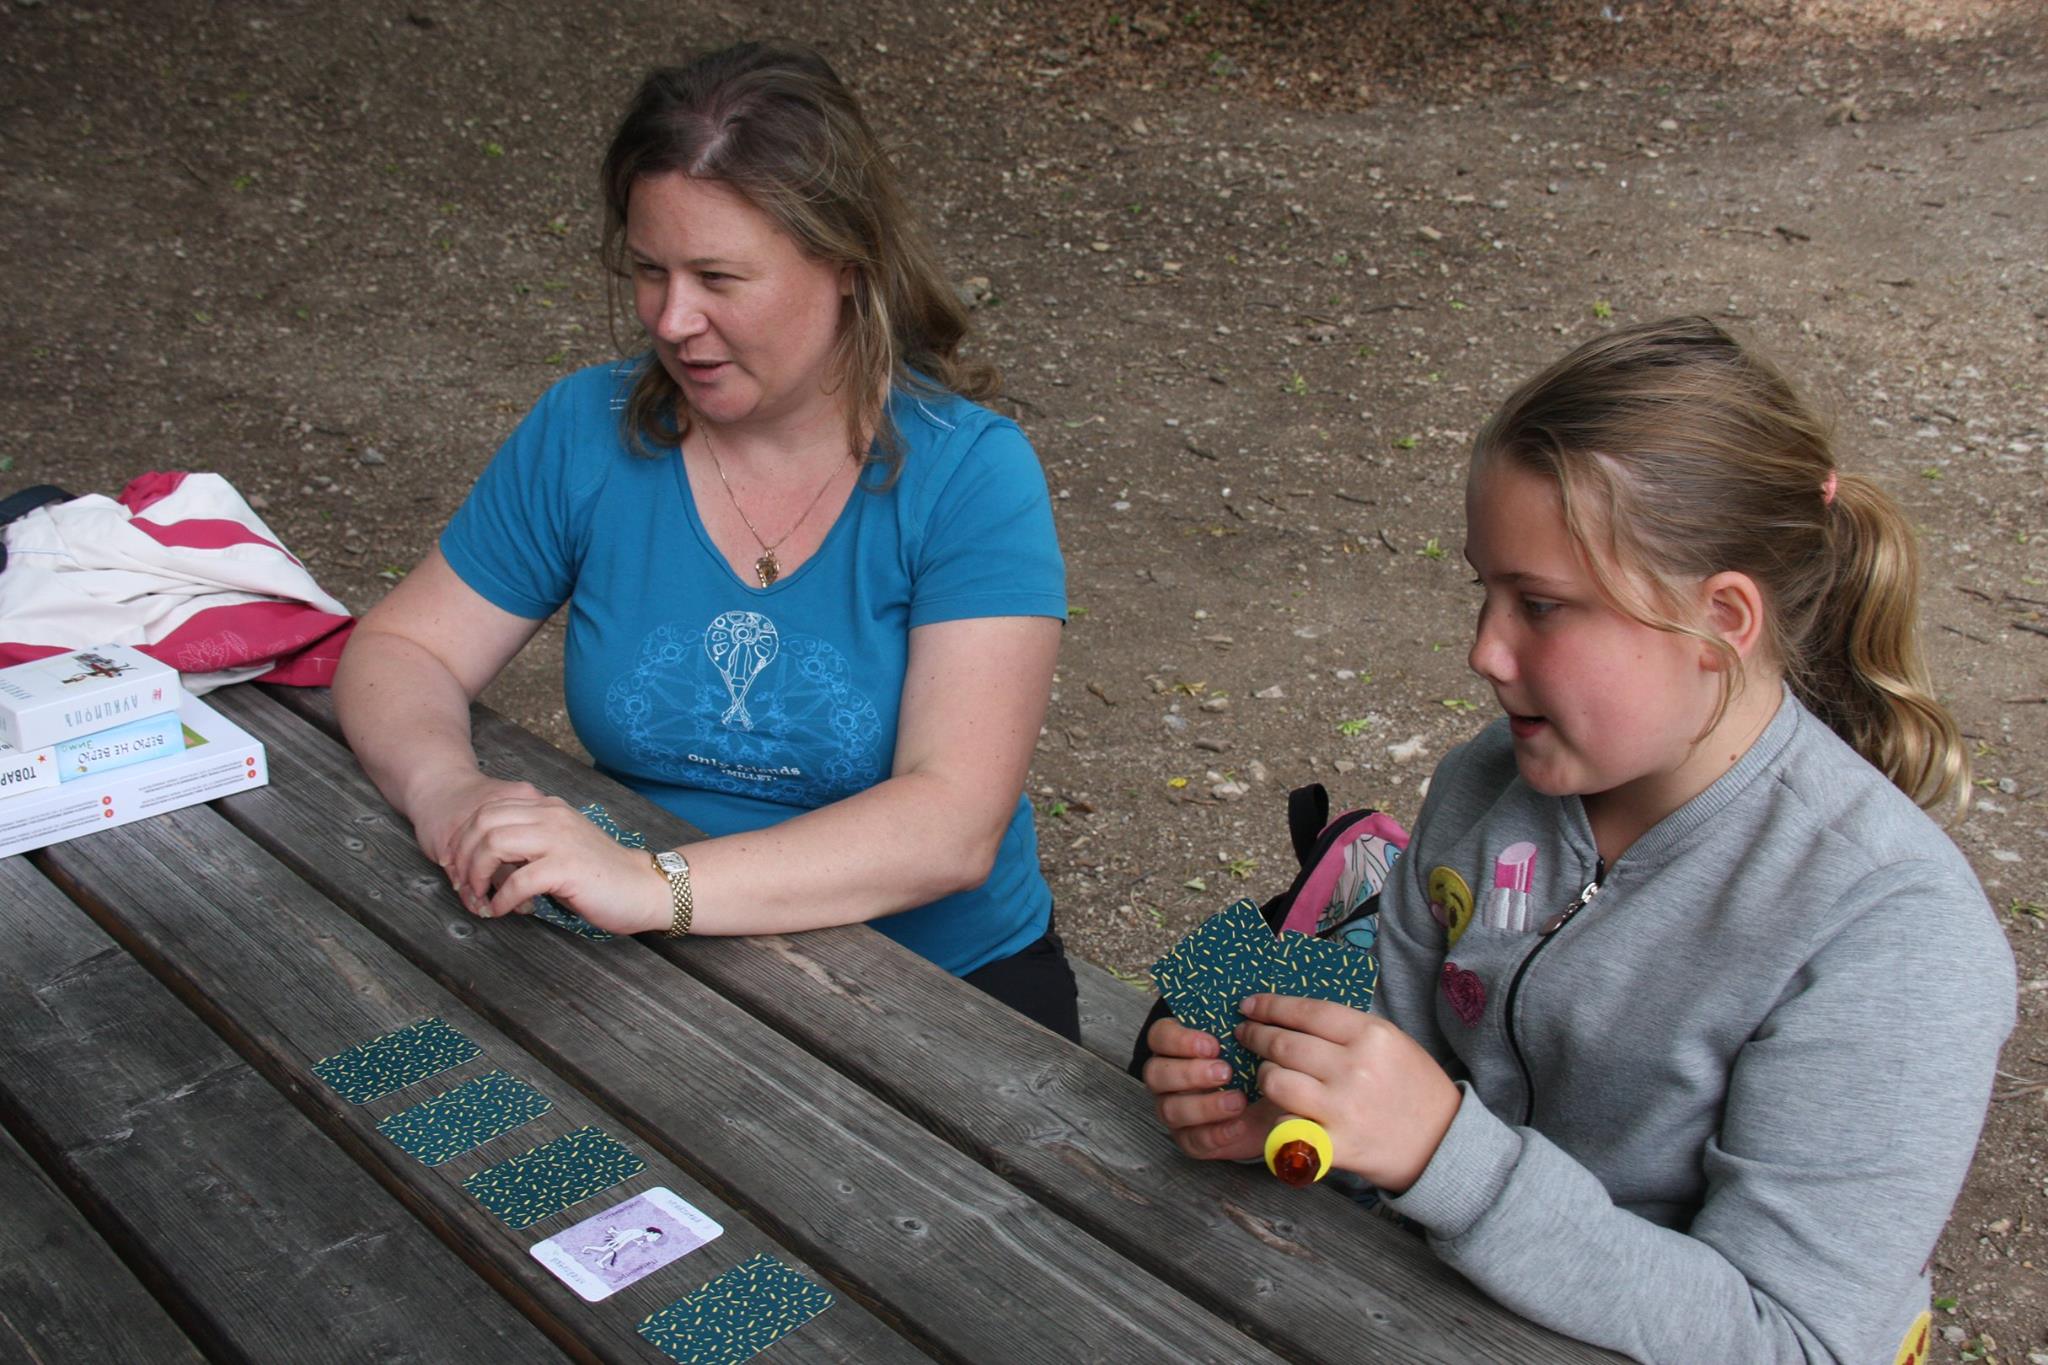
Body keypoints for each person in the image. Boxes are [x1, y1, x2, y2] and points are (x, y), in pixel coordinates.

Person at [1138, 317, 2016, 1362]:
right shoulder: (1487, 780)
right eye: (1484, 589)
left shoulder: (1894, 935)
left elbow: (1794, 1338)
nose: (1484, 650)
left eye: (1542, 606)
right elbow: (1400, 1040)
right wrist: (1280, 1104)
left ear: (1722, 620)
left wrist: (1445, 1156)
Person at [333, 41, 1080, 1039]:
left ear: (847, 267)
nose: (672, 319)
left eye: (719, 277)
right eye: (649, 270)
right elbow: (402, 648)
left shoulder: (970, 472)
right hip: (640, 965)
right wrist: (448, 794)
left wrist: (654, 885)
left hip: (928, 992)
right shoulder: (586, 429)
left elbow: (950, 826)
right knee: (372, 1092)